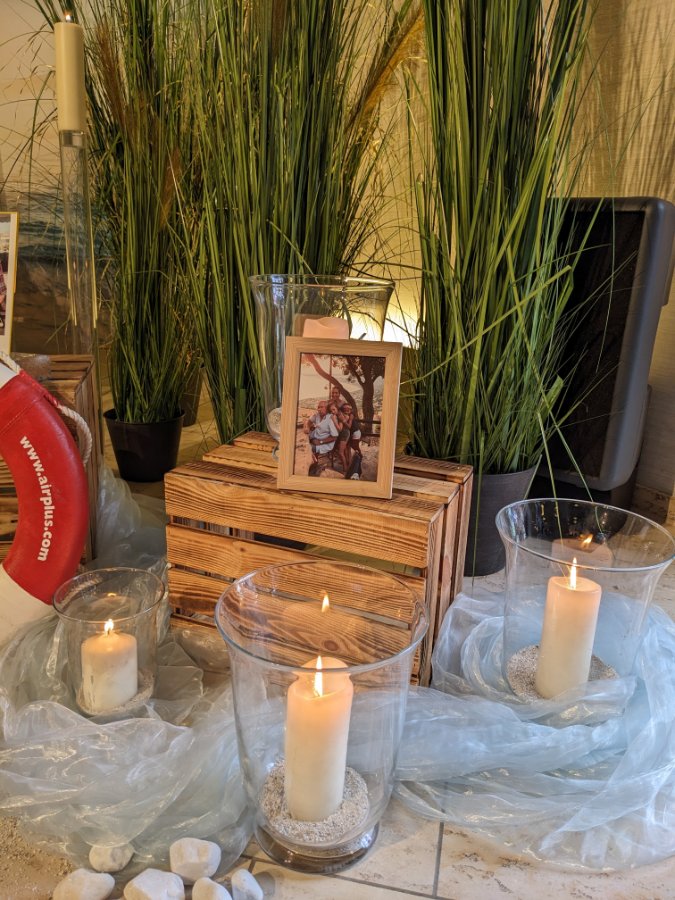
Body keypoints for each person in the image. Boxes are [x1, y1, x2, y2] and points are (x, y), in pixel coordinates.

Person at [303, 400, 338, 472]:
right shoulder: (317, 415)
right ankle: (314, 463)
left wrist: (320, 442)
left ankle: (312, 466)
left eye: (321, 407)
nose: (319, 409)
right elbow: (309, 421)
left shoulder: (330, 419)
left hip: (325, 443)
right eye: (318, 407)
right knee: (303, 442)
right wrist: (308, 428)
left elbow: (334, 437)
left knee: (306, 448)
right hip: (315, 437)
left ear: (327, 409)